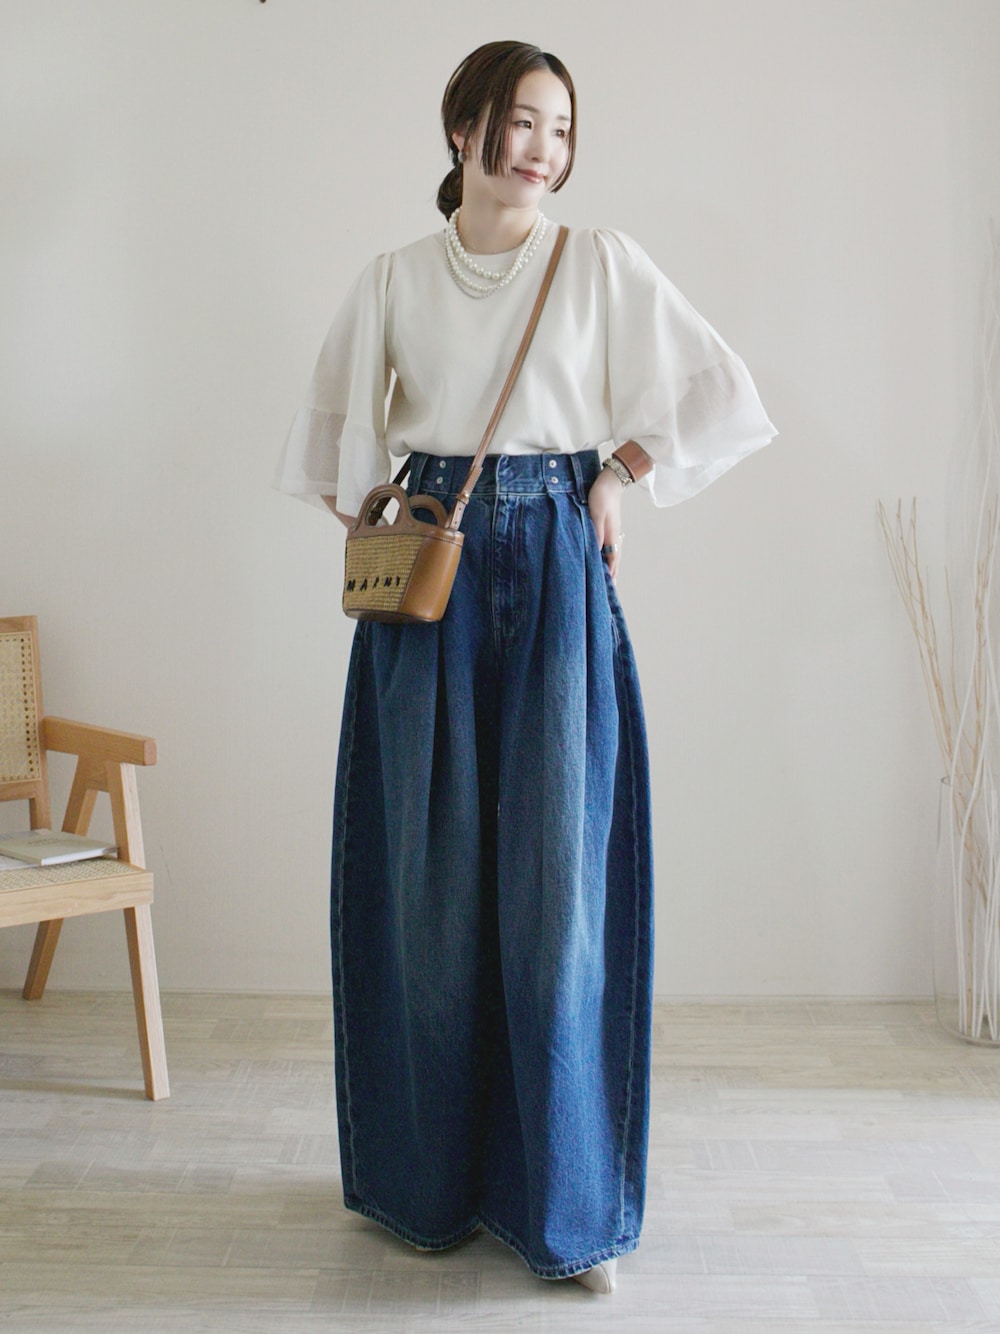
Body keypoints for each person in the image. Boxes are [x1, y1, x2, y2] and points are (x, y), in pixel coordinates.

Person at [274, 40, 775, 1295]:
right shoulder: (396, 277)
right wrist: (390, 521)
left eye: (560, 127)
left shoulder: (597, 262)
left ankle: (566, 1209)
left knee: (559, 891)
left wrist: (615, 476)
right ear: (462, 129)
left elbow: (716, 389)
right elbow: (334, 443)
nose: (542, 148)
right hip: (431, 577)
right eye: (520, 121)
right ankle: (423, 1189)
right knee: (428, 887)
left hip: (556, 550)